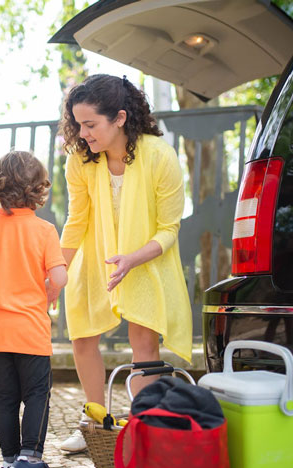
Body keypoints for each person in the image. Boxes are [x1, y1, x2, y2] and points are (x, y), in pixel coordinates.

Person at [57, 74, 193, 452]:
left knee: (143, 340)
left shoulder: (160, 156)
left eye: (90, 125)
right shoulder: (80, 160)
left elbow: (169, 229)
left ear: (119, 118)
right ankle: (94, 422)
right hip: (95, 256)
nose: (83, 134)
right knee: (82, 336)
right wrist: (58, 269)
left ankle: (141, 426)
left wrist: (133, 258)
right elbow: (77, 219)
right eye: (77, 125)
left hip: (145, 259)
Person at [0, 151, 68, 468]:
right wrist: (50, 287)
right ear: (38, 191)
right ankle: (30, 456)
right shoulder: (45, 230)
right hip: (30, 330)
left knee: (5, 398)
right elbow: (60, 276)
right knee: (37, 393)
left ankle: (9, 458)